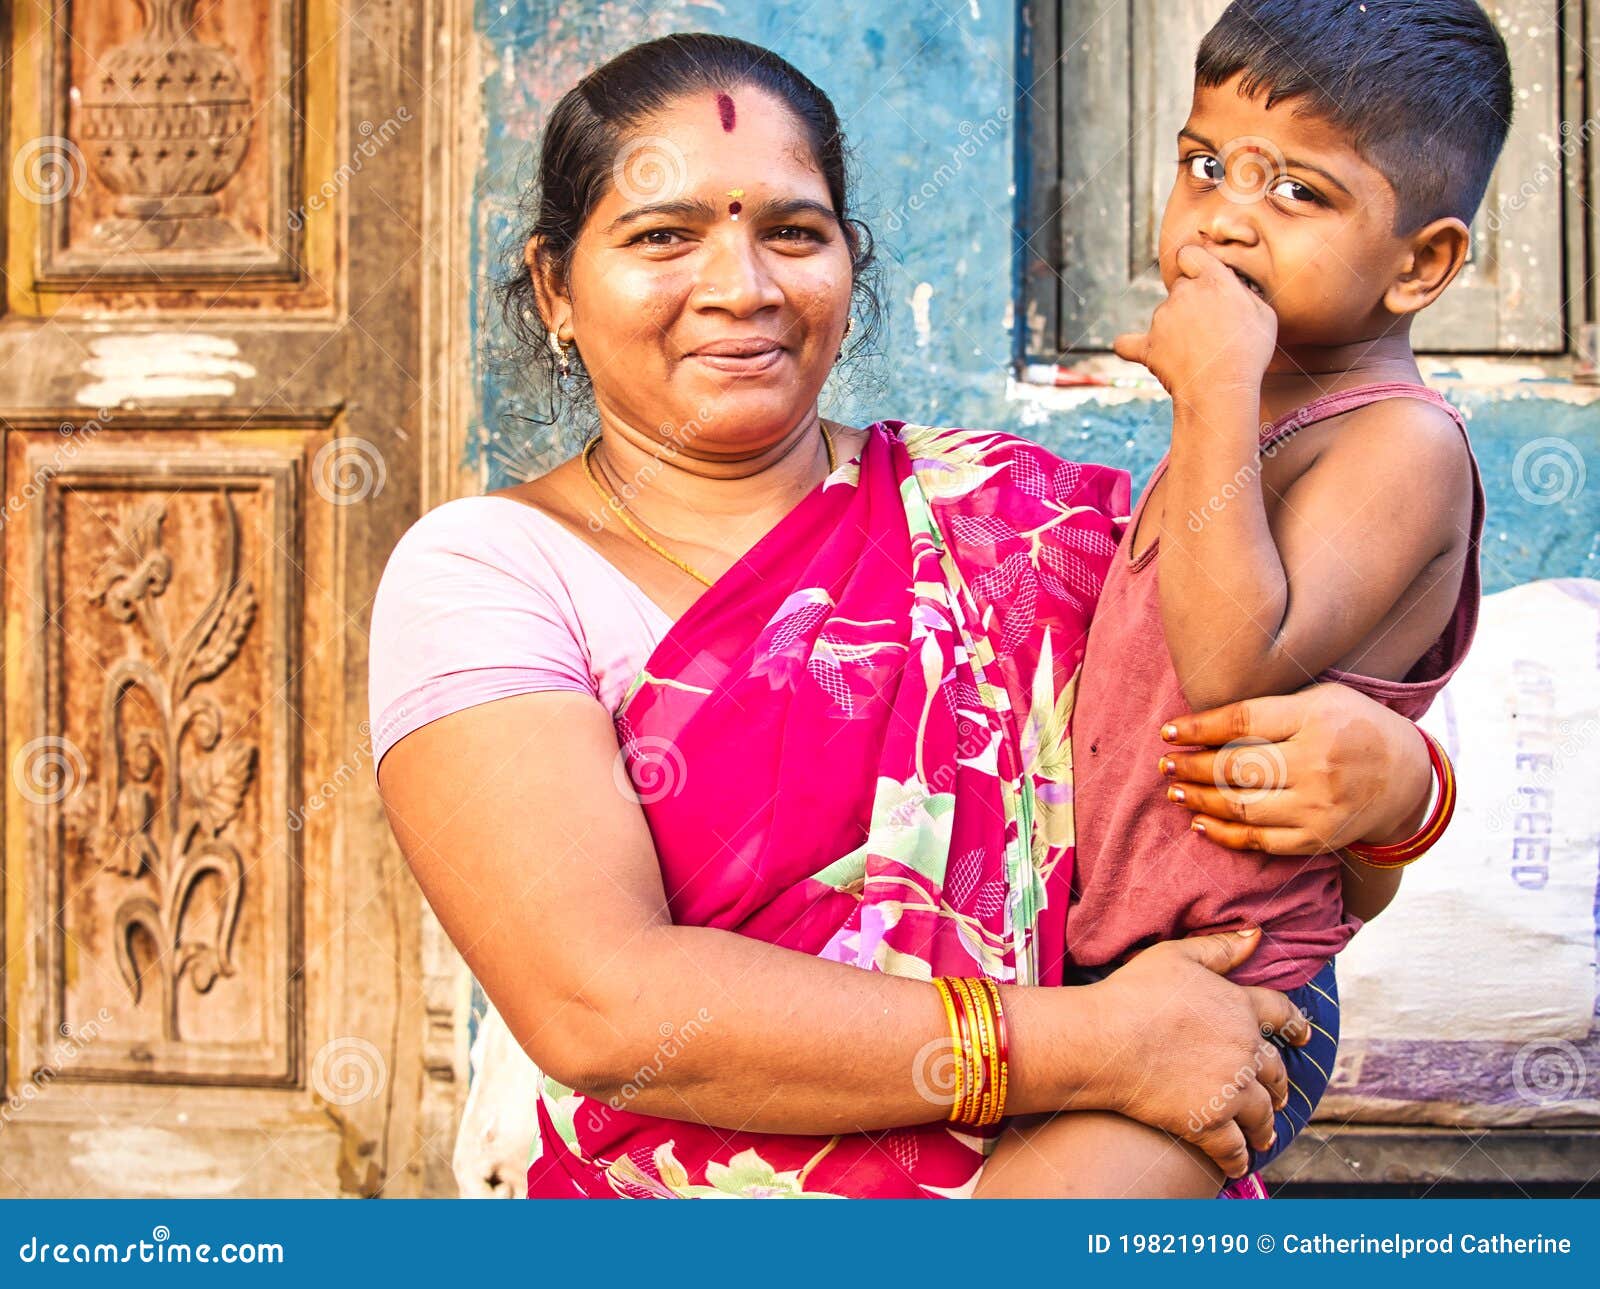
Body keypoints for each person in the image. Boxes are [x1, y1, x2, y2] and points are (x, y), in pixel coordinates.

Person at [368, 31, 1450, 1200]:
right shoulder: (489, 572)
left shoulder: (1023, 523)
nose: (744, 285)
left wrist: (1400, 797)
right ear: (554, 288)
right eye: (662, 234)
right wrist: (1104, 1044)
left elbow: (1243, 865)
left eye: (792, 231)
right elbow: (600, 1004)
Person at [977, 0, 1500, 1198]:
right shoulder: (1253, 424)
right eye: (1204, 165)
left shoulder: (1396, 445)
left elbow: (1228, 664)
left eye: (1298, 194)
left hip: (1238, 997)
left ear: (1419, 262)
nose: (1222, 216)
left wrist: (1210, 391)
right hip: (1103, 982)